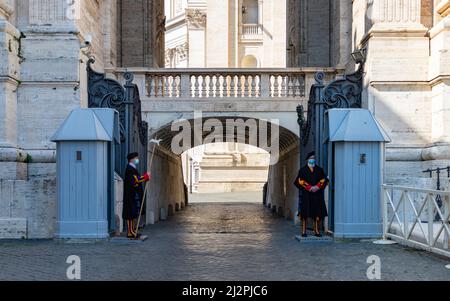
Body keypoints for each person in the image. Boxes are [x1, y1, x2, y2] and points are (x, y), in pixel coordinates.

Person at [294, 151, 329, 237]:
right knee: (305, 213)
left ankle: (316, 230)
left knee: (317, 213)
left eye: (313, 158)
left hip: (317, 195)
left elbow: (323, 180)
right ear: (307, 160)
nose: (312, 160)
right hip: (306, 195)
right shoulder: (302, 170)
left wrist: (317, 187)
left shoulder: (319, 170)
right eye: (311, 158)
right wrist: (309, 187)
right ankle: (303, 231)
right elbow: (299, 181)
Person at [123, 152, 151, 239]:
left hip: (133, 194)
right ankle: (130, 231)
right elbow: (135, 180)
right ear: (132, 159)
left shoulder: (133, 168)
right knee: (130, 214)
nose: (137, 159)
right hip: (130, 194)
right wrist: (145, 177)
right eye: (136, 158)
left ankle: (132, 230)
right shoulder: (129, 169)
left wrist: (145, 177)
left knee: (133, 213)